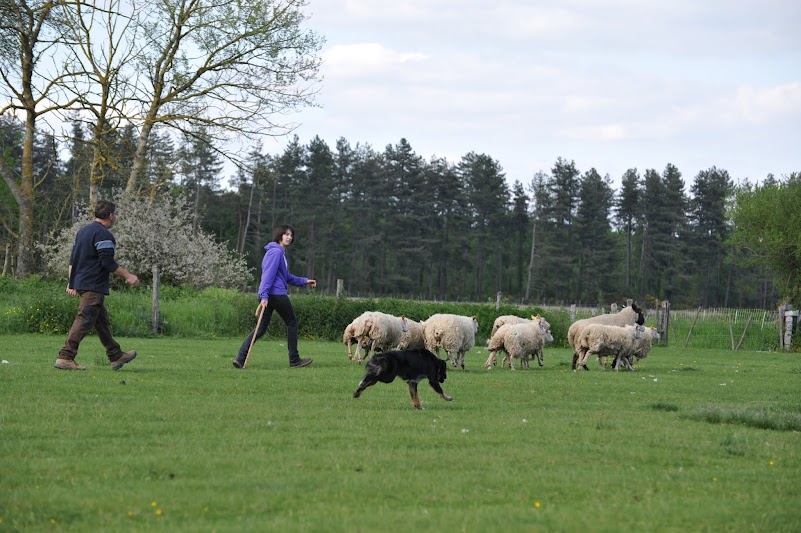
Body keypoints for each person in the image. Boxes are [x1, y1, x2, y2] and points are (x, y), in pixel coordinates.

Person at [55, 200, 140, 371]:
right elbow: (107, 262)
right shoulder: (103, 234)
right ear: (110, 215)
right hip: (93, 284)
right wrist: (128, 276)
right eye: (115, 214)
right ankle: (65, 356)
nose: (115, 217)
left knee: (101, 321)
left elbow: (73, 259)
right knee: (85, 319)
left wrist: (72, 282)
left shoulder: (83, 231)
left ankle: (116, 355)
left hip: (82, 283)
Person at [233, 224, 316, 369]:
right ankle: (294, 360)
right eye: (286, 234)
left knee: (260, 329)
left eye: (291, 235)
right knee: (292, 323)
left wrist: (304, 281)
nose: (289, 237)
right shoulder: (276, 253)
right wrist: (264, 296)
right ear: (280, 236)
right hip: (275, 295)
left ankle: (240, 358)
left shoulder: (278, 253)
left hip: (270, 295)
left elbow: (286, 277)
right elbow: (267, 276)